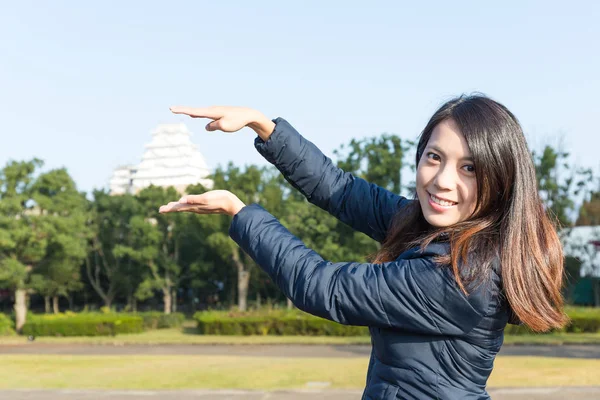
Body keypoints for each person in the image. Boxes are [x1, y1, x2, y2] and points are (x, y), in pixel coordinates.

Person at [158, 95, 567, 399]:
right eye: (434, 157)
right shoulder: (433, 231)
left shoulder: (463, 274)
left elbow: (323, 287)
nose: (443, 180)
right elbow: (341, 190)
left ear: (501, 179)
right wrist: (264, 126)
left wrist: (240, 212)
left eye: (469, 168)